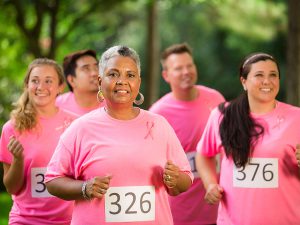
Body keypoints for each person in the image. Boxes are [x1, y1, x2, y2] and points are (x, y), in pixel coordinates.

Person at [45, 45, 193, 225]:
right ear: (100, 81)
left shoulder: (159, 125)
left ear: (138, 82)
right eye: (113, 74)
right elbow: (52, 180)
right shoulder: (80, 128)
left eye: (130, 75)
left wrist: (175, 178)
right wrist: (84, 188)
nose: (122, 81)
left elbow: (185, 180)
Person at [195, 52, 300, 224]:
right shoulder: (223, 116)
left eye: (273, 75)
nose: (267, 81)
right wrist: (210, 184)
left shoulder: (297, 118)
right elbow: (203, 154)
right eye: (259, 75)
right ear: (244, 81)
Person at [149, 43, 224, 225]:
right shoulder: (157, 114)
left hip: (219, 210)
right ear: (166, 75)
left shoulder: (216, 99)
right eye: (178, 68)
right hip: (179, 214)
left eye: (189, 65)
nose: (186, 71)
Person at [0, 58, 78, 224]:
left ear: (60, 87)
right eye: (35, 81)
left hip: (69, 221)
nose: (41, 87)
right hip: (26, 219)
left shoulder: (76, 125)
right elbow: (11, 188)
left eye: (48, 81)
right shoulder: (12, 128)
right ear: (27, 85)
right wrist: (18, 160)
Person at [56, 49, 104, 115]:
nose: (95, 73)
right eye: (86, 69)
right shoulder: (57, 105)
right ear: (72, 80)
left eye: (97, 67)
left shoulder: (114, 103)